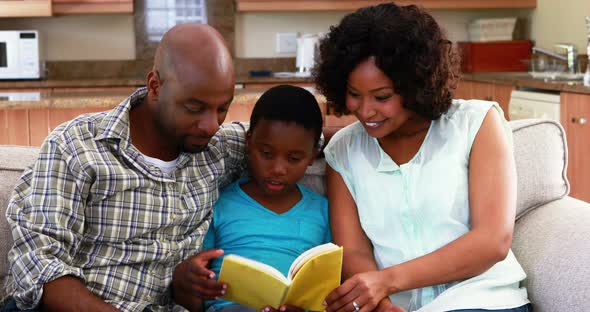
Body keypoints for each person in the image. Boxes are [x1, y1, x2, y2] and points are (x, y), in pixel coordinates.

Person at [4, 24, 245, 312]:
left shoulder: (220, 148)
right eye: (194, 108)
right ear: (155, 86)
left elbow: (296, 136)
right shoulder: (76, 145)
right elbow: (38, 265)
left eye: (223, 108)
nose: (211, 125)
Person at [314, 3, 531, 312]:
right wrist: (383, 305)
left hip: (483, 299)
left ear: (415, 85)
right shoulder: (343, 151)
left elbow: (492, 241)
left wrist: (387, 281)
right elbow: (355, 253)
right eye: (354, 94)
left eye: (382, 97)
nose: (365, 110)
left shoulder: (477, 123)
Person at [200, 85, 330, 312]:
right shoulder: (220, 202)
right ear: (249, 142)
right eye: (267, 154)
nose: (278, 169)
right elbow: (200, 275)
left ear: (312, 156)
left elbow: (326, 285)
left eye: (294, 158)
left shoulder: (322, 210)